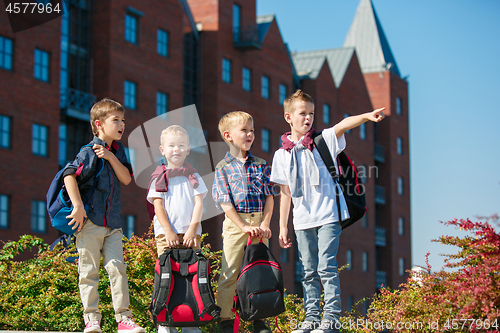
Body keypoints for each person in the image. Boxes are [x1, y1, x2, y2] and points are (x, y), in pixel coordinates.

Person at [270, 90, 385, 333]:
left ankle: (331, 319)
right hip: (301, 220)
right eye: (302, 114)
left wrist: (366, 116)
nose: (308, 118)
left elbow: (343, 124)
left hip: (328, 216)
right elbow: (285, 193)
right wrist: (282, 226)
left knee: (326, 266)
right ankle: (311, 318)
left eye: (311, 113)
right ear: (288, 117)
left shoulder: (323, 140)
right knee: (308, 270)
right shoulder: (281, 155)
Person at [63, 98, 145, 333]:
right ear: (99, 124)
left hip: (113, 223)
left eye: (123, 120)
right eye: (115, 120)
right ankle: (92, 319)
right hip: (90, 223)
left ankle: (123, 320)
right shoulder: (89, 152)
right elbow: (69, 175)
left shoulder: (117, 152)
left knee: (117, 267)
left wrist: (109, 156)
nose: (122, 125)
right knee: (88, 272)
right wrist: (77, 206)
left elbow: (127, 178)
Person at [212, 111, 275, 333]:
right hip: (235, 223)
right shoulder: (222, 168)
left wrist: (265, 224)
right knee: (229, 272)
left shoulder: (260, 164)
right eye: (244, 130)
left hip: (259, 222)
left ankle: (260, 318)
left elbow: (269, 196)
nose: (250, 134)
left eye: (252, 130)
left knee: (258, 270)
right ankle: (225, 320)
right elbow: (225, 202)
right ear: (228, 136)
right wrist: (242, 226)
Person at [146, 125, 208, 333]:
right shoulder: (158, 178)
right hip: (166, 235)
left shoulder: (194, 176)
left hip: (191, 235)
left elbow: (199, 205)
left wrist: (192, 229)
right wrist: (168, 231)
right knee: (167, 276)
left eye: (181, 145)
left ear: (188, 149)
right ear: (162, 149)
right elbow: (158, 207)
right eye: (171, 145)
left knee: (191, 277)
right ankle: (166, 322)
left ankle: (191, 321)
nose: (176, 150)